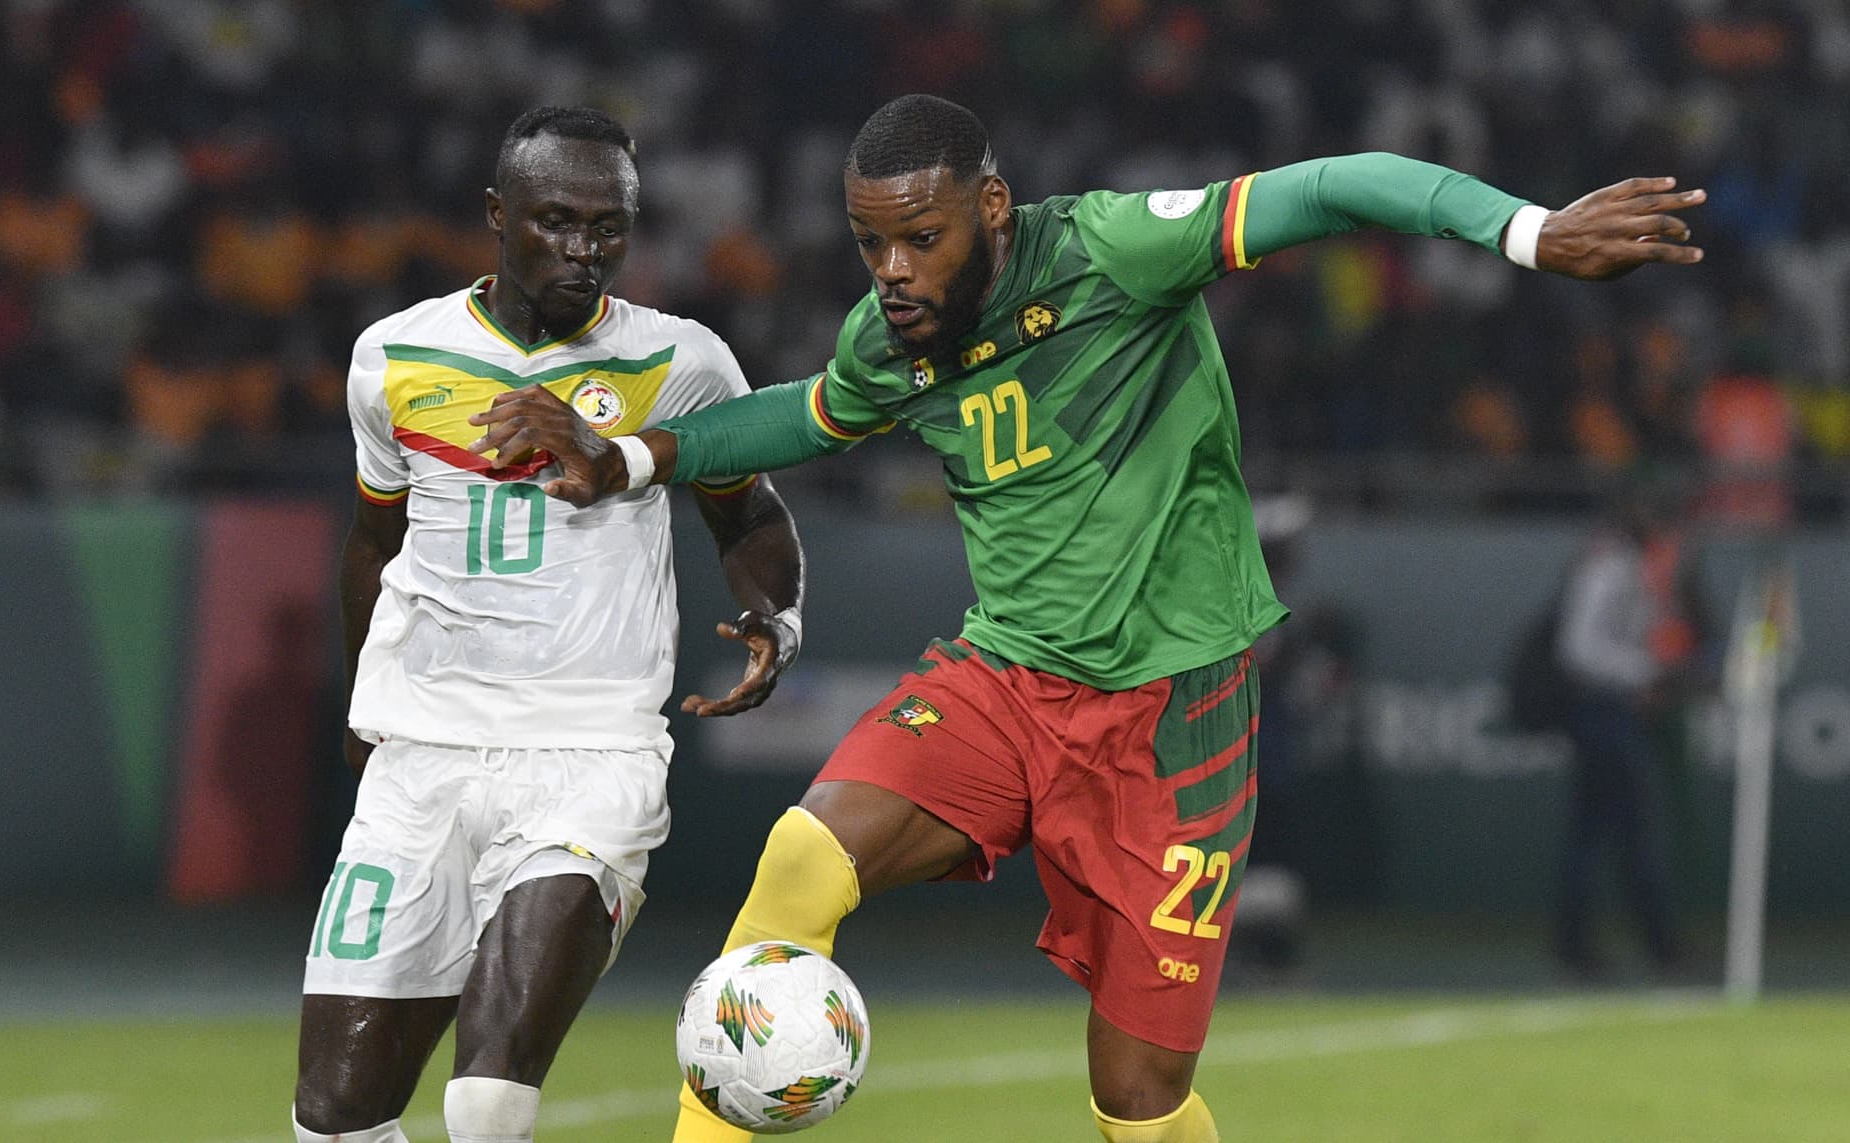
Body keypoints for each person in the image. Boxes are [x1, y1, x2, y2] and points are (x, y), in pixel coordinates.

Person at [469, 95, 1705, 1143]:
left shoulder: (1114, 252)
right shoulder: (890, 340)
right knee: (800, 861)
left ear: (992, 211)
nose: (893, 271)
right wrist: (627, 456)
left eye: (921, 239)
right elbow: (803, 415)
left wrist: (1528, 232)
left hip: (1176, 724)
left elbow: (1336, 185)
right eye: (870, 243)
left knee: (1136, 1097)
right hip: (1006, 683)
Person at [293, 106, 806, 1143]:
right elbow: (373, 540)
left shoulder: (681, 361)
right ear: (497, 213)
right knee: (334, 1120)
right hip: (423, 753)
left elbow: (749, 513)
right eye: (557, 221)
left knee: (486, 1100)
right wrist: (361, 704)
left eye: (609, 226)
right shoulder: (394, 357)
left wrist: (775, 615)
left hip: (590, 753)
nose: (585, 249)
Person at [1551, 480, 1705, 981]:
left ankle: (1578, 945)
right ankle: (1657, 946)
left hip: (1616, 711)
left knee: (1594, 834)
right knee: (1630, 832)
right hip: (1602, 711)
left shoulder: (1639, 564)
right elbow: (1578, 647)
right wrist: (1643, 673)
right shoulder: (1609, 564)